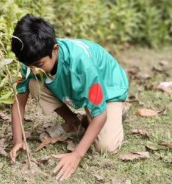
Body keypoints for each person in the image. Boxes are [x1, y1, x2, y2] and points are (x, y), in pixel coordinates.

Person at [8, 14, 128, 181]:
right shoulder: (32, 58)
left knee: (105, 146)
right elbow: (19, 102)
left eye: (39, 65)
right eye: (30, 66)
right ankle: (74, 123)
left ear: (55, 49)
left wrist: (76, 155)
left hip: (108, 91)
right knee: (33, 83)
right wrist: (18, 141)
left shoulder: (81, 64)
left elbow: (100, 115)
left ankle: (119, 110)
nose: (34, 70)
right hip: (79, 90)